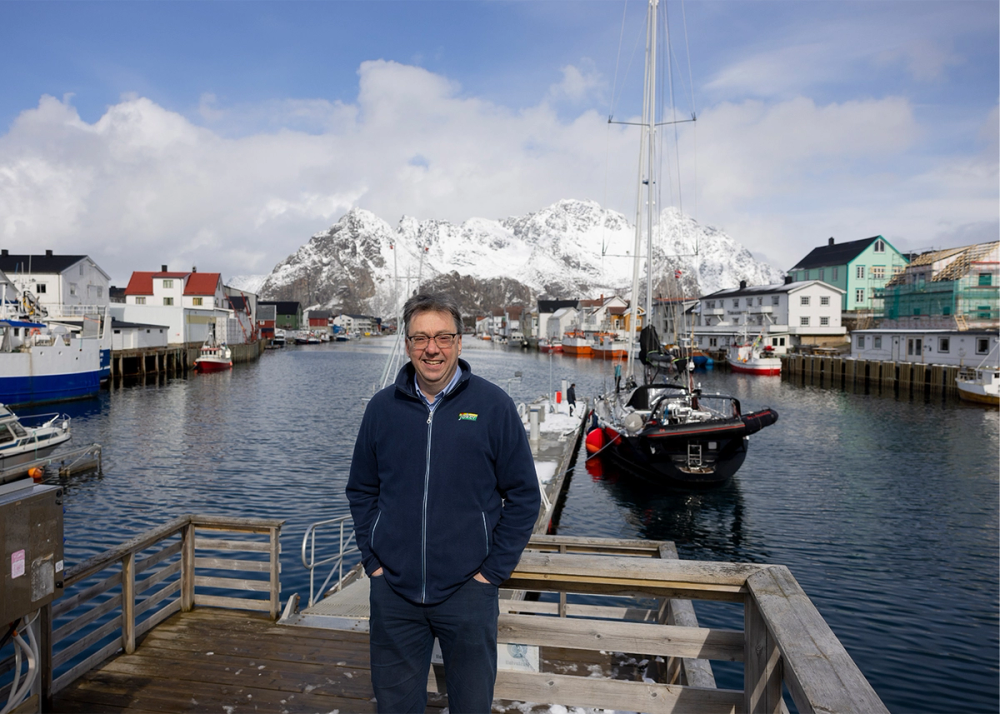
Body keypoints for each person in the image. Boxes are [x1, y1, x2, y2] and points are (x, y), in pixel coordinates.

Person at [346, 292, 540, 714]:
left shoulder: (493, 407)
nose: (431, 348)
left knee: (471, 706)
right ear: (407, 342)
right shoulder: (382, 409)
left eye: (442, 337)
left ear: (459, 341)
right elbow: (361, 489)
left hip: (468, 592)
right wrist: (373, 562)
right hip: (394, 593)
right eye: (420, 338)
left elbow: (525, 496)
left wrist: (492, 573)